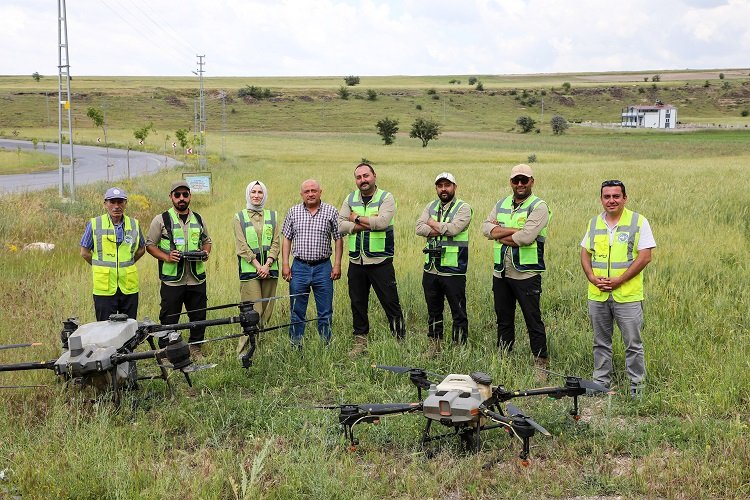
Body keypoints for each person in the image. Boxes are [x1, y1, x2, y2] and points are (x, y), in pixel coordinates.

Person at [580, 180, 655, 398]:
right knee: (600, 342)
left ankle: (636, 389)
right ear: (601, 199)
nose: (611, 200)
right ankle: (600, 384)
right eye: (607, 196)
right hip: (598, 294)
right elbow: (585, 253)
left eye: (616, 196)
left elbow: (645, 256)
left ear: (624, 198)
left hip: (628, 296)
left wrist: (619, 280)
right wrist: (592, 277)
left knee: (633, 344)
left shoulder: (638, 221)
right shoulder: (594, 223)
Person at [481, 164, 551, 367]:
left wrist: (500, 234)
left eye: (524, 180)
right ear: (511, 182)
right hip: (501, 271)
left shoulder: (539, 206)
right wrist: (513, 231)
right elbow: (486, 229)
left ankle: (541, 362)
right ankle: (504, 358)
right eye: (516, 180)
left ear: (532, 182)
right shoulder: (501, 203)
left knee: (533, 320)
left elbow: (527, 237)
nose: (520, 184)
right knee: (503, 318)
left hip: (526, 274)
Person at [338, 162, 406, 356]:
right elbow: (340, 225)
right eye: (359, 177)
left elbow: (382, 222)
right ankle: (360, 342)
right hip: (356, 262)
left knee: (391, 302)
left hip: (380, 262)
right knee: (358, 303)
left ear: (374, 176)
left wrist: (355, 218)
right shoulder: (350, 198)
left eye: (366, 176)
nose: (363, 180)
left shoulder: (386, 197)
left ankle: (399, 340)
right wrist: (368, 222)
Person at [146, 181, 212, 355]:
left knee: (198, 315)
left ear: (190, 196)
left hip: (196, 278)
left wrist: (205, 253)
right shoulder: (161, 219)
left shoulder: (198, 218)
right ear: (171, 197)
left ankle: (196, 347)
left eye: (185, 194)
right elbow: (150, 245)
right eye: (177, 195)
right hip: (172, 280)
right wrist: (167, 257)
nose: (181, 198)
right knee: (169, 317)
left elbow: (207, 241)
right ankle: (167, 351)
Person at [281, 179, 343, 348]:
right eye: (307, 191)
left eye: (314, 190)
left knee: (325, 310)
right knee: (297, 309)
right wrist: (285, 264)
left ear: (320, 192)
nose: (310, 194)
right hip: (299, 267)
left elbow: (338, 239)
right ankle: (295, 343)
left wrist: (337, 264)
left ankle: (325, 343)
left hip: (324, 267)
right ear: (302, 194)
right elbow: (287, 239)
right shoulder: (293, 212)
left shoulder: (331, 211)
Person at [415, 172, 472, 353]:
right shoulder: (430, 206)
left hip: (453, 269)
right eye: (440, 186)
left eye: (447, 185)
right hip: (431, 268)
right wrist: (441, 228)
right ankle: (434, 346)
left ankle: (459, 347)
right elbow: (418, 228)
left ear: (455, 187)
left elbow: (455, 229)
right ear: (436, 189)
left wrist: (431, 223)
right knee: (433, 311)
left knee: (458, 311)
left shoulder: (464, 208)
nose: (443, 189)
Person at [80, 187, 145, 321]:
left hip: (128, 286)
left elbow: (141, 249)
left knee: (129, 327)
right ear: (105, 204)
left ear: (125, 203)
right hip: (104, 287)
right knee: (105, 328)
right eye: (112, 202)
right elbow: (85, 252)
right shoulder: (95, 224)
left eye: (120, 202)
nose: (116, 206)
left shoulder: (134, 224)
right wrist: (99, 265)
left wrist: (128, 262)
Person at [234, 180, 280, 352]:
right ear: (248, 194)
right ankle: (242, 351)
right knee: (253, 312)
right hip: (250, 272)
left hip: (269, 270)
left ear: (264, 195)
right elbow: (241, 246)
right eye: (253, 192)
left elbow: (276, 243)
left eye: (260, 192)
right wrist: (257, 265)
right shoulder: (239, 217)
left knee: (266, 311)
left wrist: (267, 264)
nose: (256, 195)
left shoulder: (273, 216)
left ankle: (256, 348)